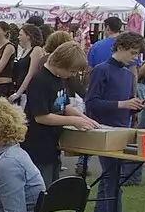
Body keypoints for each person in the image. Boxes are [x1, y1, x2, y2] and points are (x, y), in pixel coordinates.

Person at [85, 32, 145, 212]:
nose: (135, 58)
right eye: (132, 53)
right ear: (120, 48)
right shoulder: (101, 70)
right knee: (110, 178)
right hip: (103, 130)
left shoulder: (128, 74)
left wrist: (135, 107)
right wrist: (122, 104)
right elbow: (92, 103)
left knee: (113, 178)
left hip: (122, 129)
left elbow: (125, 105)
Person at [20, 41, 97, 184]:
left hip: (53, 144)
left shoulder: (60, 78)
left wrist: (84, 118)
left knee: (53, 184)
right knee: (41, 186)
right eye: (71, 71)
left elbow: (64, 105)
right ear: (59, 64)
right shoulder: (40, 80)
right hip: (37, 144)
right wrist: (74, 121)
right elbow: (42, 117)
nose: (72, 75)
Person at [12, 23, 48, 102]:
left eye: (21, 35)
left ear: (28, 36)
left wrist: (18, 93)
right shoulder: (24, 51)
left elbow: (31, 73)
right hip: (20, 89)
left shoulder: (36, 50)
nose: (18, 37)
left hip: (28, 91)